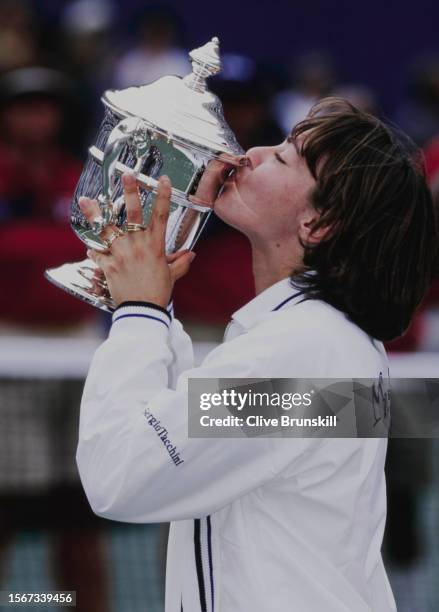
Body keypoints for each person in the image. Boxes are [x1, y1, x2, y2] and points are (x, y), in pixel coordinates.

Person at [75, 98, 437, 611]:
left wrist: (138, 314)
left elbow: (121, 477)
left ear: (318, 223)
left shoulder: (301, 351)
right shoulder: (324, 342)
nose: (253, 153)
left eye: (285, 156)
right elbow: (199, 441)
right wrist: (150, 300)